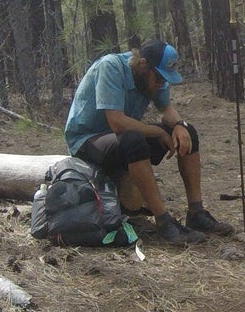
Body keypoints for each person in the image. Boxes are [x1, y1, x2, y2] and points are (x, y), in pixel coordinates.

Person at [63, 41, 235, 245]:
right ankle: (164, 222)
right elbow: (116, 122)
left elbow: (166, 109)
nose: (161, 84)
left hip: (120, 138)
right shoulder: (110, 66)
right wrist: (157, 132)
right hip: (87, 140)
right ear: (142, 64)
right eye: (159, 78)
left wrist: (180, 124)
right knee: (133, 139)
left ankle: (196, 213)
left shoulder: (153, 75)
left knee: (188, 133)